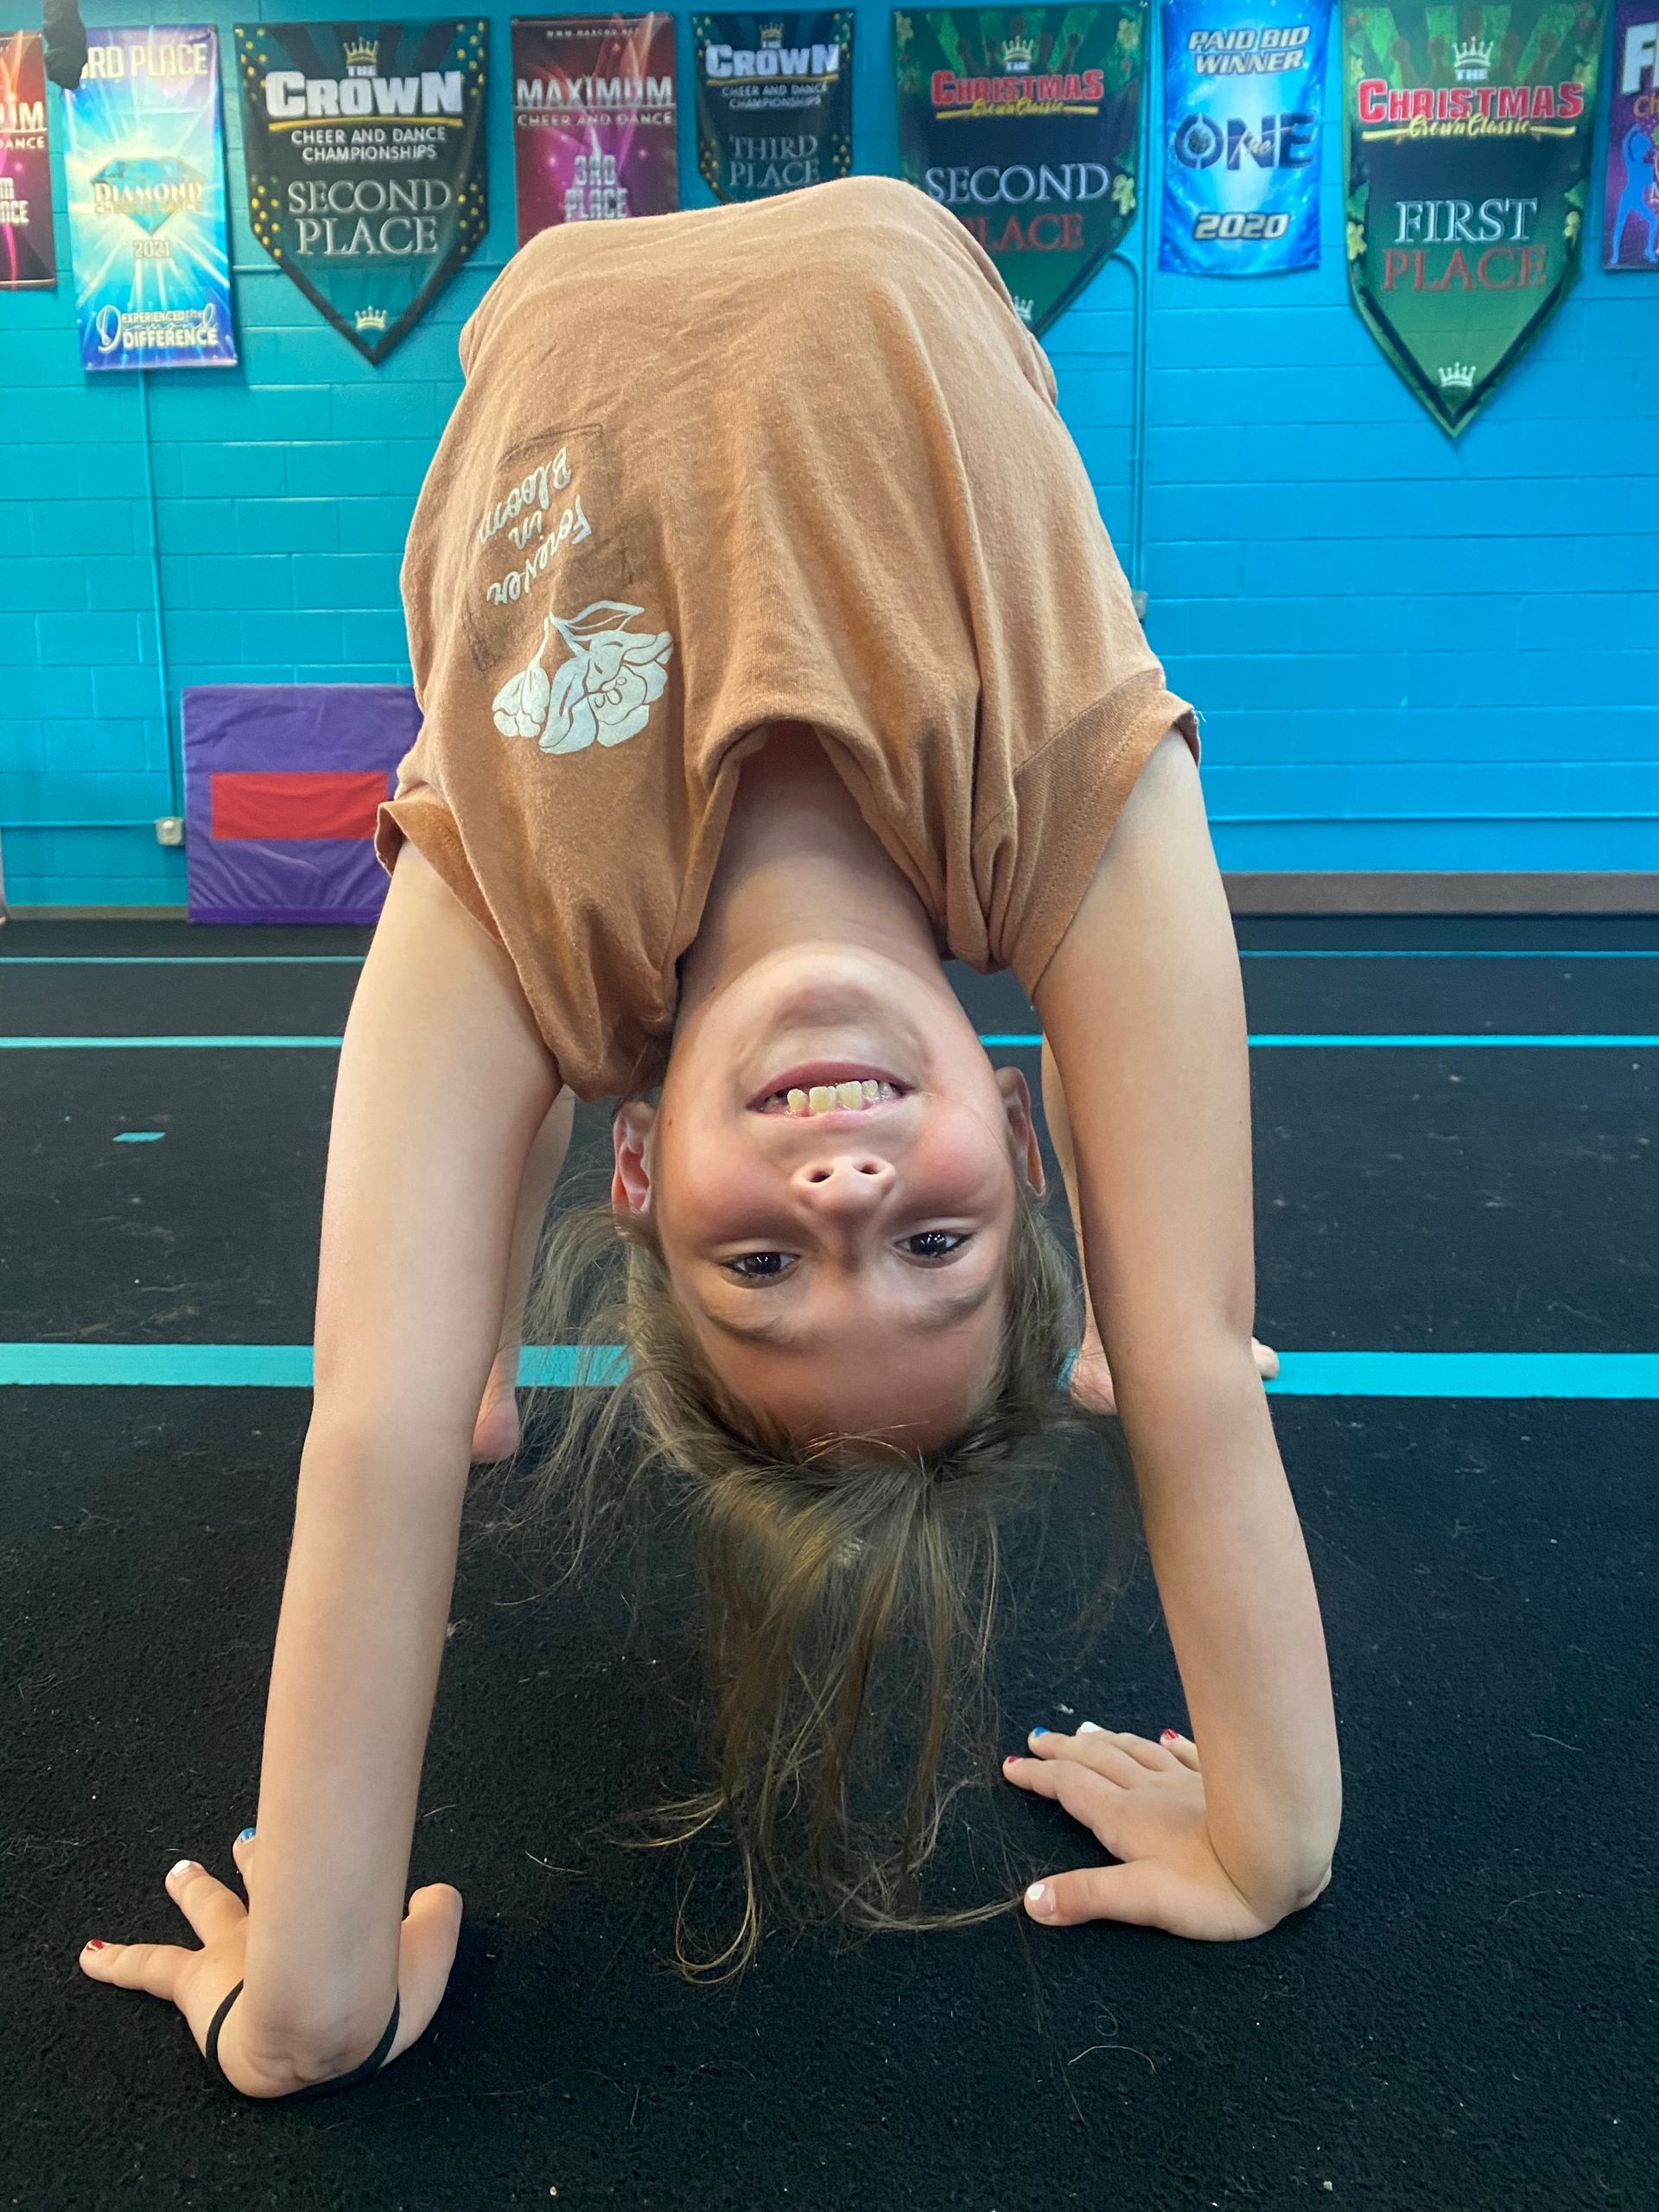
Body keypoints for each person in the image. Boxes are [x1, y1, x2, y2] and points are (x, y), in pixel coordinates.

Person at [77, 176, 1338, 2099]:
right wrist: (1266, 1832)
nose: (849, 1197)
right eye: (936, 1247)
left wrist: (307, 2001)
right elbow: (1187, 1358)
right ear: (1015, 1128)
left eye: (767, 1267)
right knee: (1181, 1299)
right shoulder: (1059, 812)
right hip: (914, 268)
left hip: (549, 303)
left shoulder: (530, 921)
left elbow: (385, 1423)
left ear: (640, 1172)